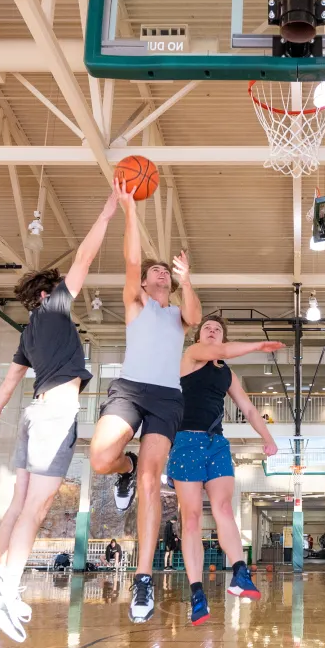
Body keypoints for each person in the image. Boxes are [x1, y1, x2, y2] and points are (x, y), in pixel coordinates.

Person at [0, 185, 119, 642]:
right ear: (50, 292)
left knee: (18, 505)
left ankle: (4, 587)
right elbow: (86, 257)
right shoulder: (55, 308)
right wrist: (110, 206)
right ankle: (6, 592)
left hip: (33, 413)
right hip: (54, 413)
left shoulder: (28, 331)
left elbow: (11, 381)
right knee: (36, 509)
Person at [87, 182, 202, 623]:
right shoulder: (136, 305)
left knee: (154, 484)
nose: (157, 273)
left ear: (170, 281)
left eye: (164, 272)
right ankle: (125, 469)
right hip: (130, 388)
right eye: (153, 271)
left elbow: (194, 316)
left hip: (166, 398)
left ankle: (143, 578)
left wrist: (187, 279)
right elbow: (132, 260)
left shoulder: (177, 312)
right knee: (101, 458)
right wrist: (131, 209)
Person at [166, 315, 281, 624]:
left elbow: (249, 409)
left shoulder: (226, 374)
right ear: (198, 338)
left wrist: (268, 438)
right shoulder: (190, 357)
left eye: (218, 329)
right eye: (207, 328)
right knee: (190, 518)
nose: (213, 331)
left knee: (224, 509)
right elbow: (226, 351)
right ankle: (197, 594)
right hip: (186, 440)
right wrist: (258, 345)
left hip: (217, 443)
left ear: (223, 335)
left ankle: (240, 574)